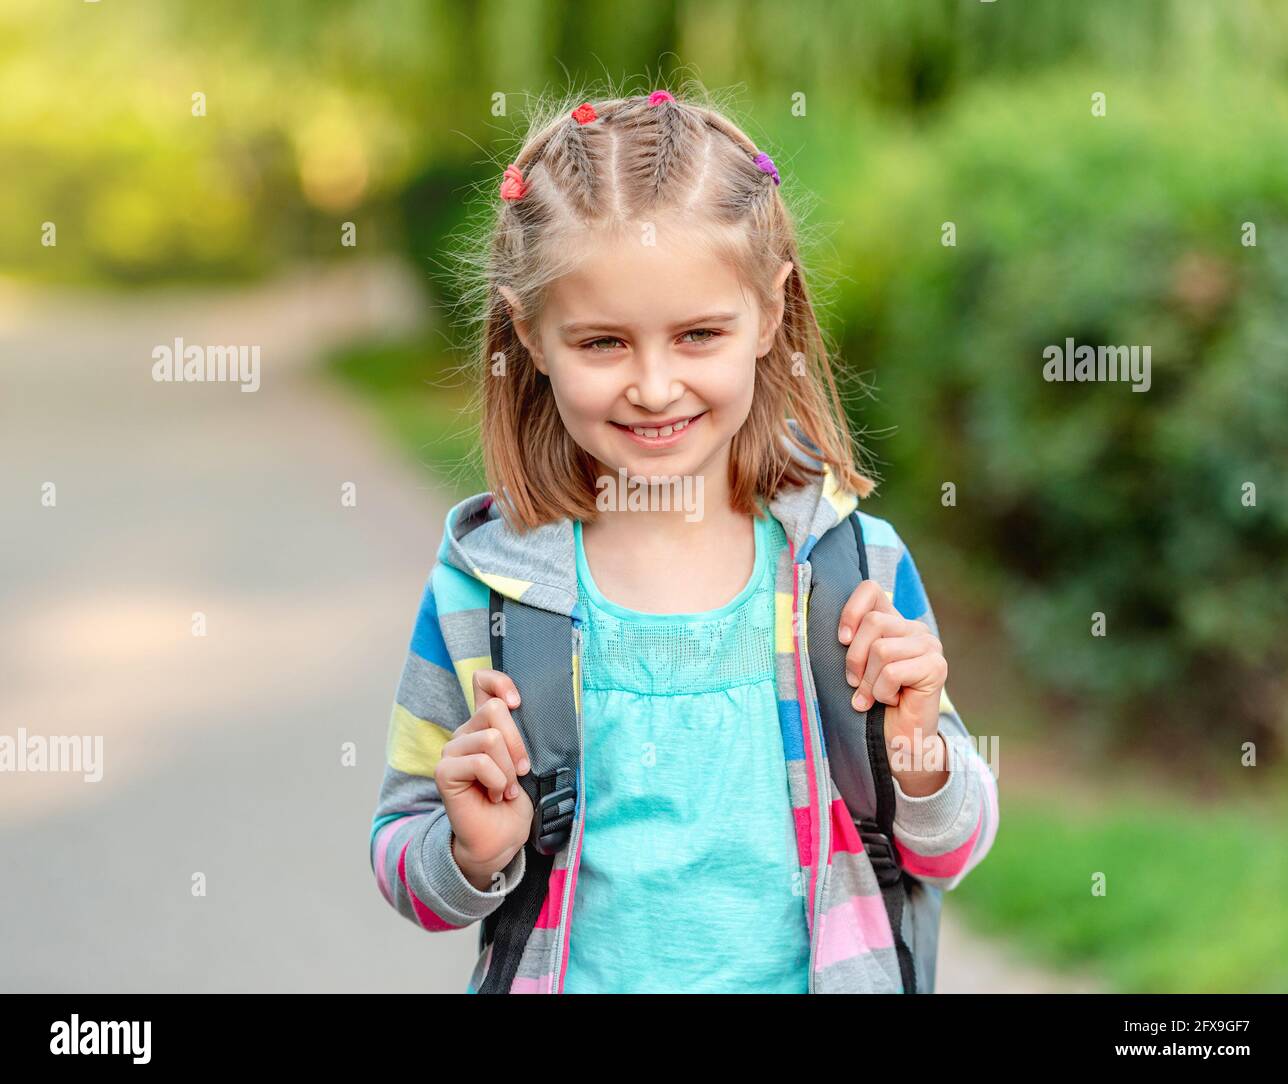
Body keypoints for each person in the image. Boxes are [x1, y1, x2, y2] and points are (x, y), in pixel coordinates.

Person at [368, 87, 998, 993]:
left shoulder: (852, 570)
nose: (656, 387)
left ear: (772, 315)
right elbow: (404, 857)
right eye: (603, 344)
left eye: (699, 334)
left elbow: (949, 852)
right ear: (532, 338)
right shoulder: (488, 594)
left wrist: (920, 760)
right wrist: (470, 853)